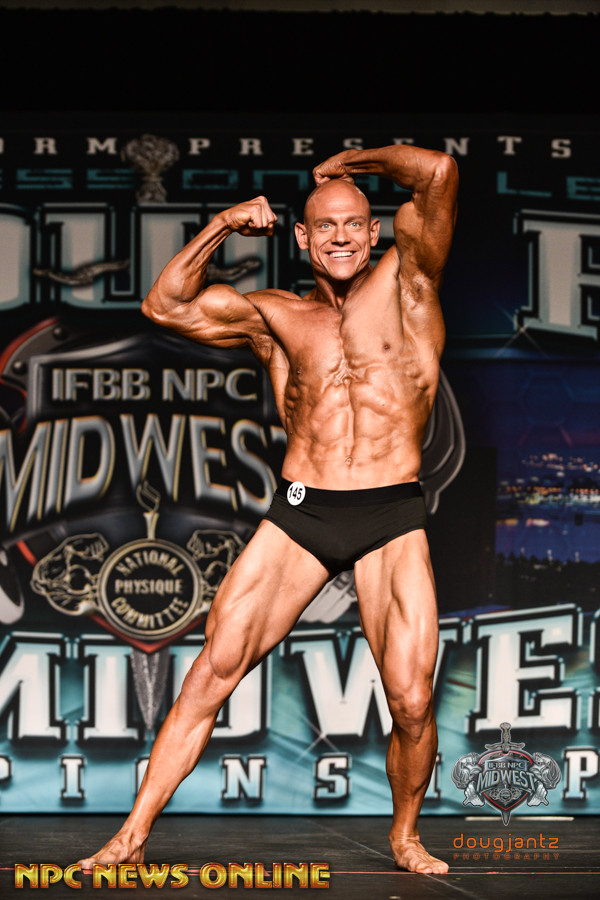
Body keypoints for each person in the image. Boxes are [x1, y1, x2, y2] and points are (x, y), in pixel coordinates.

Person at [78, 144, 458, 875]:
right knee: (211, 673)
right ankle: (131, 834)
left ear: (373, 232)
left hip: (390, 514)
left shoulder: (411, 282)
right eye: (326, 226)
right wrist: (223, 223)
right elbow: (164, 304)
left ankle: (406, 835)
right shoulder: (275, 316)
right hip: (302, 515)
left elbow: (438, 173)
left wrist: (352, 162)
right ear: (303, 237)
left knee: (411, 700)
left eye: (354, 224)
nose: (341, 237)